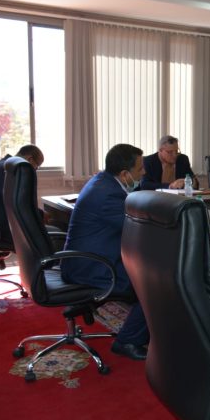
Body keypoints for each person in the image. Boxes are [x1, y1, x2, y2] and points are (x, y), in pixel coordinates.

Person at [61, 144, 149, 361]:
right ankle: (128, 341)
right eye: (140, 168)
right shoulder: (109, 195)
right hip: (92, 267)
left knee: (146, 271)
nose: (144, 172)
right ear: (124, 174)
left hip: (84, 260)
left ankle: (146, 328)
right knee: (156, 283)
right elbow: (139, 231)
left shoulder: (103, 182)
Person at [0, 145, 45, 250]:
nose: (34, 171)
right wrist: (41, 215)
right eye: (36, 167)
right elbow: (19, 204)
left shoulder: (5, 166)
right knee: (47, 237)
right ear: (30, 159)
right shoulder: (8, 171)